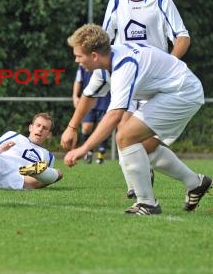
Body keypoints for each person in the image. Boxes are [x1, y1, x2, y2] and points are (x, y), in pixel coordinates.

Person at [62, 0, 191, 198]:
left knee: (142, 143)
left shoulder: (161, 0)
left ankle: (167, 182)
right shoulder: (117, 0)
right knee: (123, 129)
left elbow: (182, 37)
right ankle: (138, 187)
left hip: (155, 81)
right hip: (127, 76)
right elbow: (104, 37)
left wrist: (170, 64)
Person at [64, 24, 210, 215]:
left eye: (78, 56)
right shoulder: (104, 65)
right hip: (170, 92)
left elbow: (114, 116)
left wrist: (83, 149)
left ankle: (147, 203)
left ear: (93, 56)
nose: (76, 60)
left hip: (183, 93)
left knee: (125, 136)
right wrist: (72, 127)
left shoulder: (124, 65)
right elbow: (89, 95)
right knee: (143, 148)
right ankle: (195, 183)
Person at [0, 112, 63, 190]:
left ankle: (34, 172)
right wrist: (1, 149)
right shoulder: (13, 135)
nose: (40, 129)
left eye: (44, 128)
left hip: (19, 178)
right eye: (38, 125)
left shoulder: (48, 155)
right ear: (30, 127)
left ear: (49, 134)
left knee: (58, 173)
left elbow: (43, 182)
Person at [72, 65, 110, 164]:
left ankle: (101, 154)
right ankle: (88, 151)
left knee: (103, 127)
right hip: (88, 101)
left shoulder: (106, 63)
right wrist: (75, 96)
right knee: (86, 127)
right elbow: (78, 80)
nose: (77, 59)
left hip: (105, 101)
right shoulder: (82, 64)